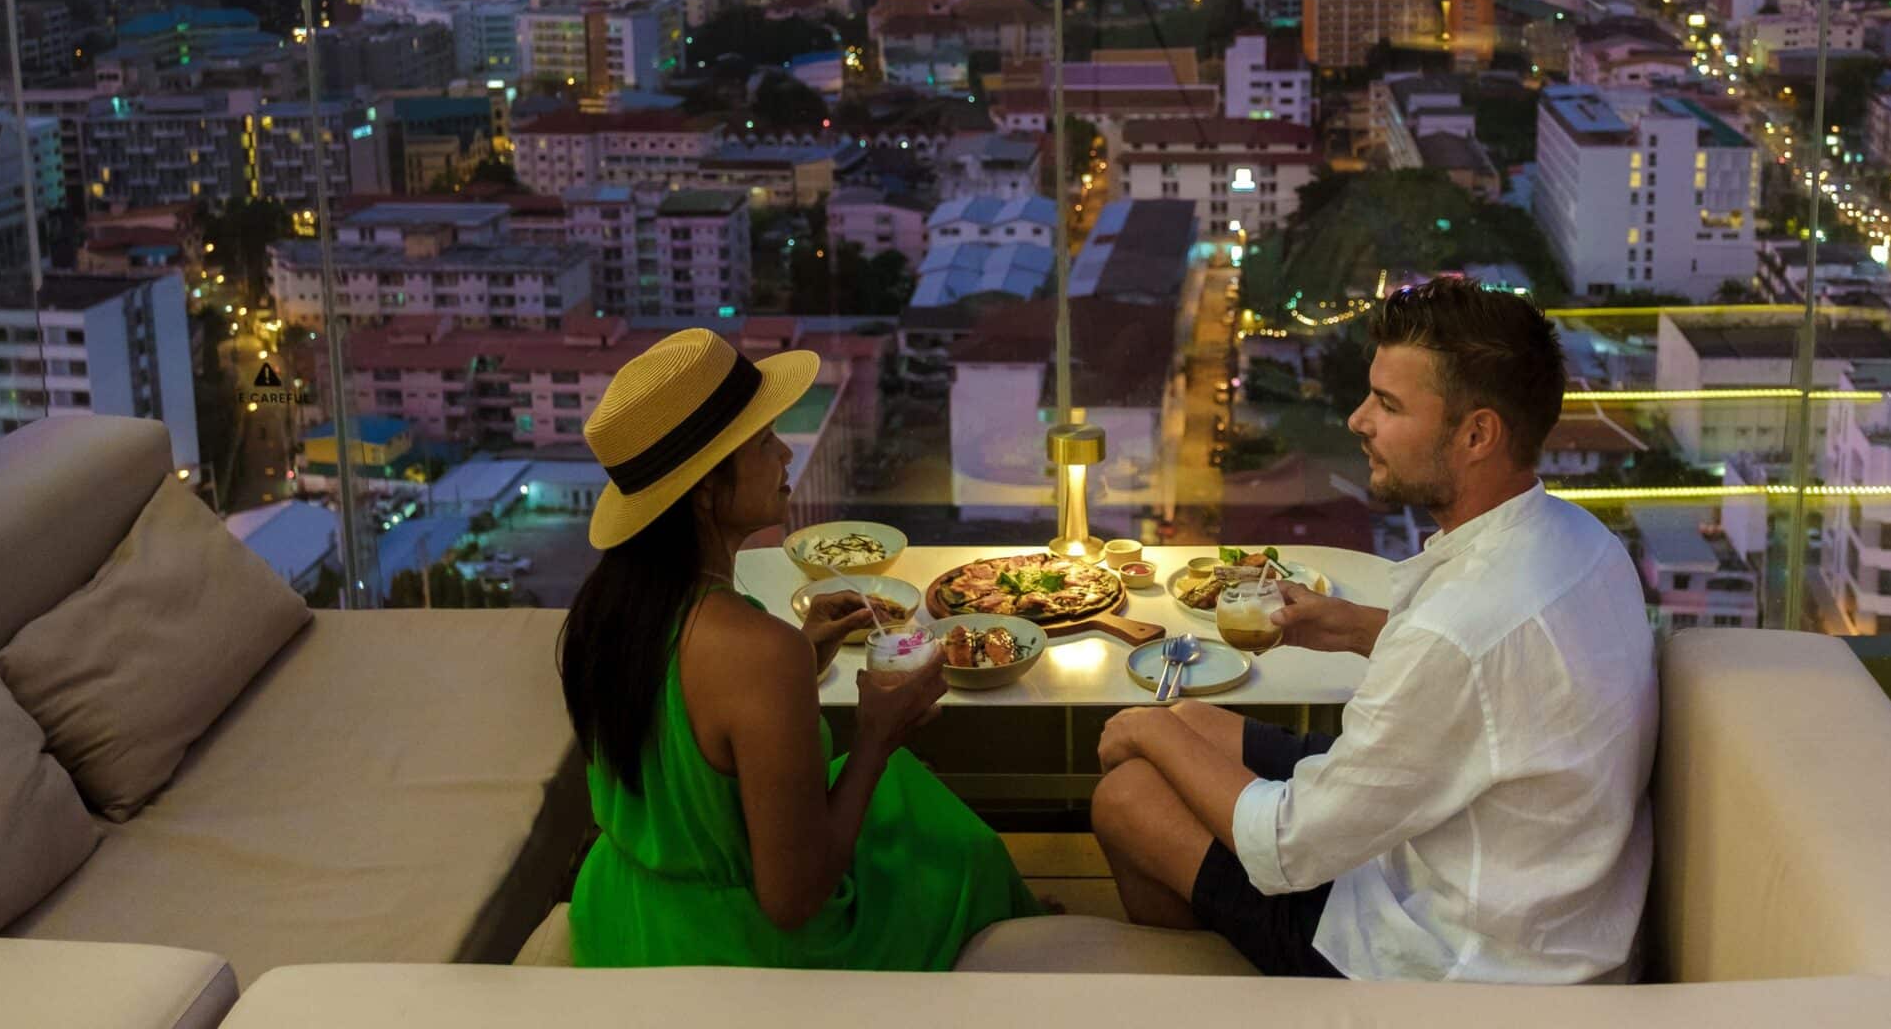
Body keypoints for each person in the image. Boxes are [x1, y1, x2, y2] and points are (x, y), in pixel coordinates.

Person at [1090, 278, 1657, 983]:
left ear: (1478, 433)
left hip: (1457, 960)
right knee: (1194, 720)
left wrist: (1146, 726)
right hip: (1521, 886)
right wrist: (1358, 627)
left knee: (1129, 792)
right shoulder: (1580, 541)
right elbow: (1502, 676)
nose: (1358, 420)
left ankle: (1217, 988)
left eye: (1387, 405)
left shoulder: (1457, 632)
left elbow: (1286, 848)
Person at [560, 328, 1042, 968]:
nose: (786, 454)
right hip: (724, 946)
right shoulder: (754, 651)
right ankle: (1022, 944)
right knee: (952, 842)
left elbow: (690, 735)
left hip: (623, 909)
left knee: (907, 805)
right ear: (706, 489)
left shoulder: (609, 610)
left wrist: (803, 655)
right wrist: (876, 735)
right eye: (763, 443)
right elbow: (793, 899)